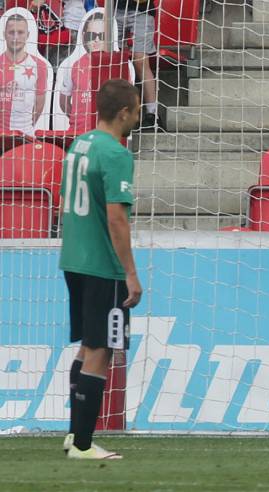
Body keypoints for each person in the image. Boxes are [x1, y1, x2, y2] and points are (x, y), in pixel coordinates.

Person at [60, 78, 142, 460]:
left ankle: (73, 435)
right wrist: (130, 273)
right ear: (123, 112)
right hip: (102, 266)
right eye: (137, 110)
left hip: (74, 259)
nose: (138, 116)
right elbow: (116, 219)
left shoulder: (80, 144)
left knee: (87, 346)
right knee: (102, 351)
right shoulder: (115, 153)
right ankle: (82, 444)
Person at [0, 11, 50, 135]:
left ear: (27, 35)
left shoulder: (40, 66)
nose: (15, 37)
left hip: (26, 135)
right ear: (4, 34)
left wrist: (27, 126)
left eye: (20, 32)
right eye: (11, 32)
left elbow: (39, 103)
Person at [57, 10, 104, 133]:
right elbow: (64, 102)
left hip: (105, 135)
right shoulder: (72, 64)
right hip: (77, 132)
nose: (97, 40)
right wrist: (78, 121)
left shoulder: (120, 65)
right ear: (83, 36)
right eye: (92, 35)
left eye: (102, 36)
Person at [115, 0, 158, 130]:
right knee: (115, 60)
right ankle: (118, 111)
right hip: (117, 9)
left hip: (142, 10)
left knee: (140, 60)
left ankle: (152, 114)